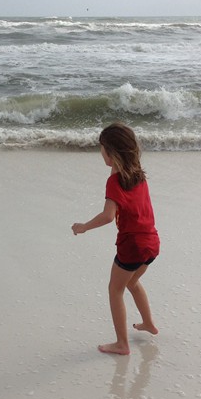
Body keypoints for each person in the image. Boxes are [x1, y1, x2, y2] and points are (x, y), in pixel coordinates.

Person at [71, 122, 161, 355]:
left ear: (110, 153)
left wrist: (84, 227)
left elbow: (108, 216)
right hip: (151, 243)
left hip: (131, 246)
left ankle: (122, 344)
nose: (100, 152)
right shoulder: (139, 175)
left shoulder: (114, 182)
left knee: (115, 289)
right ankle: (148, 323)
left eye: (102, 148)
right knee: (132, 282)